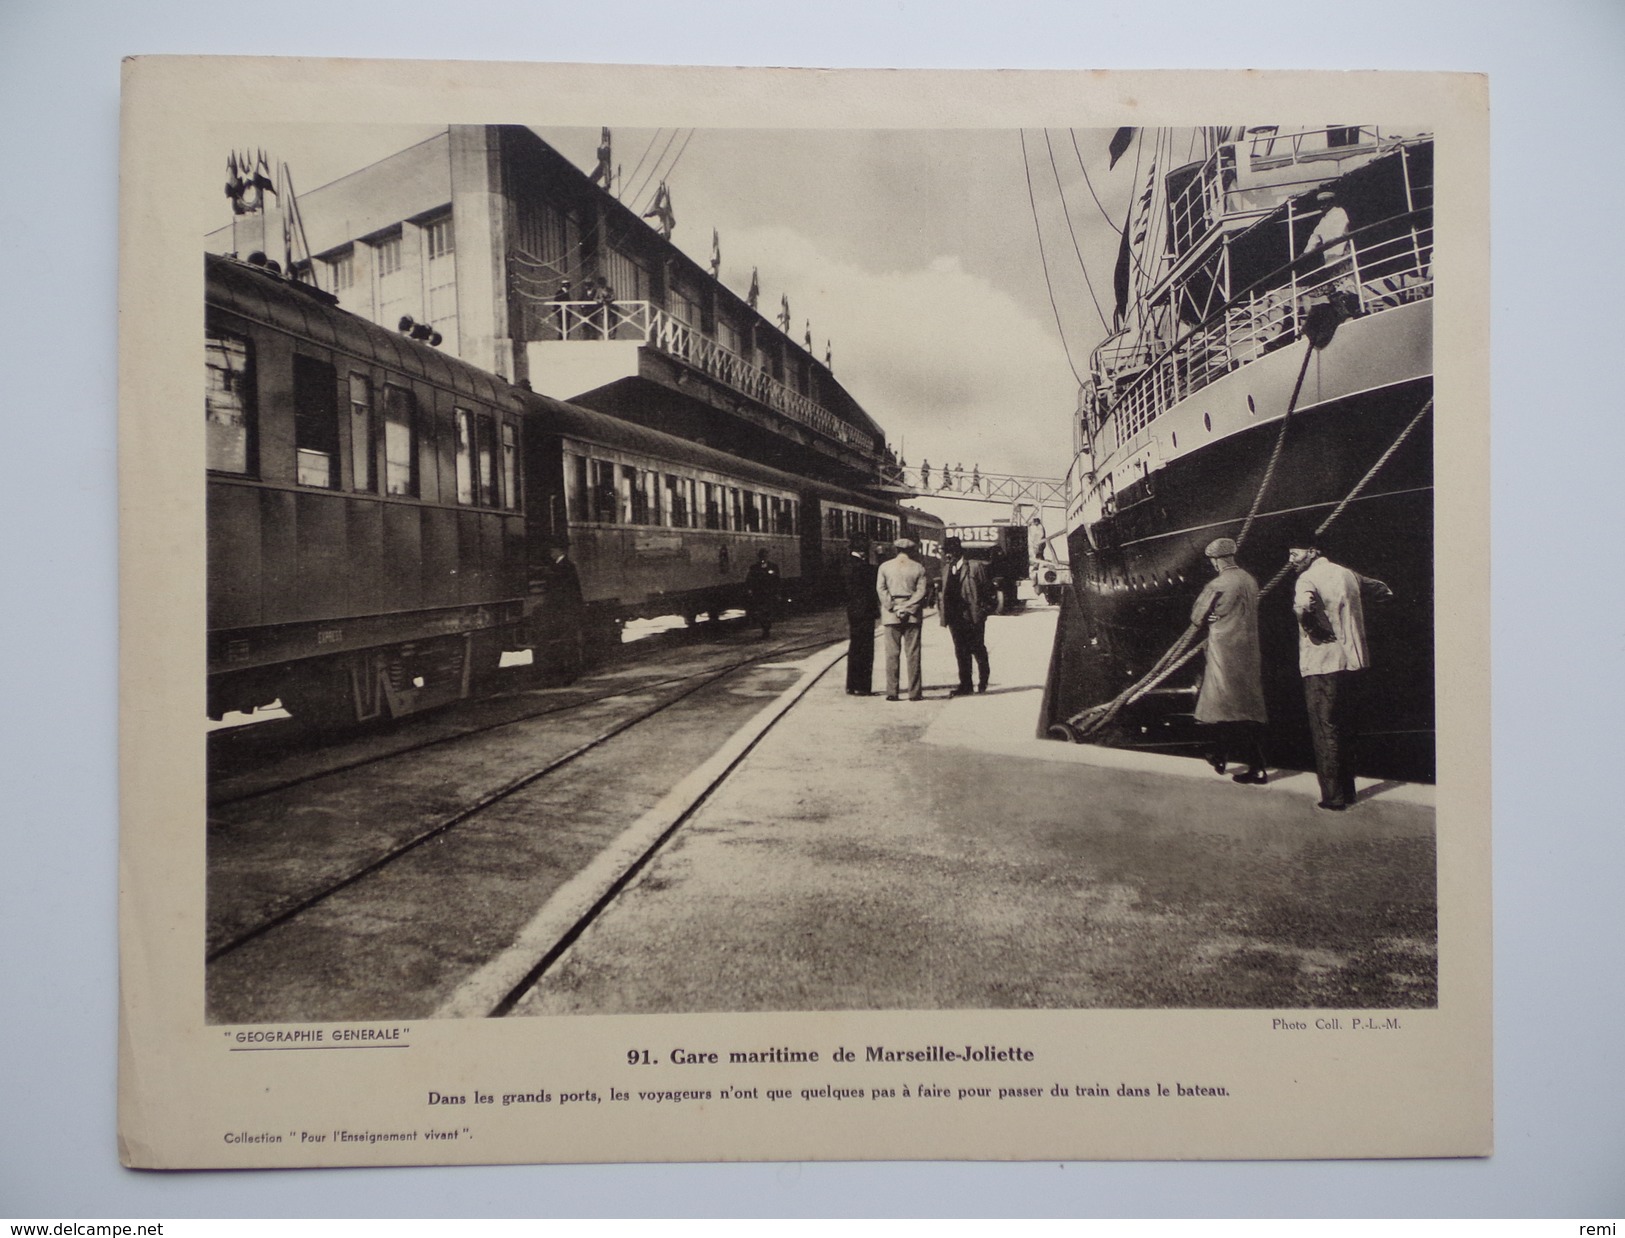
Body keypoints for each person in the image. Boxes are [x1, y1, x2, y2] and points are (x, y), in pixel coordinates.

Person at [1288, 536, 1394, 811]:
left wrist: (1313, 629)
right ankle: (1349, 792)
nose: (1291, 560)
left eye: (1295, 553)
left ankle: (1334, 798)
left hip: (1323, 664)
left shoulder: (1307, 579)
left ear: (1312, 552)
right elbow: (1383, 591)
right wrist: (1356, 622)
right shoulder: (1347, 574)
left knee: (1326, 730)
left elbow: (1302, 607)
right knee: (1346, 728)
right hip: (1354, 663)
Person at [1190, 537, 1268, 784]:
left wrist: (1212, 616)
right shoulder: (1250, 580)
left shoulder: (1218, 584)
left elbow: (1196, 617)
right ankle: (1254, 765)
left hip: (1223, 653)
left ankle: (1220, 756)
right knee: (1246, 708)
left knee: (1220, 707)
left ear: (1216, 561)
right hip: (1249, 653)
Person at [938, 536, 993, 696]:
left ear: (957, 552)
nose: (947, 556)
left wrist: (983, 611)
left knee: (977, 648)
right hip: (955, 618)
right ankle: (966, 685)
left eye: (949, 553)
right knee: (961, 651)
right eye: (946, 553)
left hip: (973, 616)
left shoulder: (974, 567)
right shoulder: (946, 569)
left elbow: (988, 590)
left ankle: (983, 681)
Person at [876, 538, 928, 701]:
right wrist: (908, 608)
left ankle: (892, 692)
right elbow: (921, 592)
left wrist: (894, 607)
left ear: (896, 550)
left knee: (892, 654)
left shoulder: (885, 566)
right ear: (911, 550)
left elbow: (881, 589)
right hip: (912, 615)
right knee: (913, 654)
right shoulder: (918, 567)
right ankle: (914, 693)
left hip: (891, 615)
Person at [540, 543, 586, 680]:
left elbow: (567, 589)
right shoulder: (563, 565)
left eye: (552, 550)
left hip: (565, 610)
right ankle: (570, 671)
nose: (550, 553)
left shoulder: (564, 566)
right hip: (566, 610)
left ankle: (571, 672)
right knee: (567, 642)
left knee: (568, 642)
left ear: (559, 551)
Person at [842, 533, 880, 696]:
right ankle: (863, 686)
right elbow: (876, 577)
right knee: (866, 649)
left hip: (853, 611)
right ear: (864, 549)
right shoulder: (864, 567)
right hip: (866, 612)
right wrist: (879, 555)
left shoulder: (846, 565)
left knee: (854, 647)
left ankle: (851, 685)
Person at [745, 548, 782, 639]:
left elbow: (777, 581)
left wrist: (777, 592)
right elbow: (749, 580)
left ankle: (766, 629)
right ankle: (764, 629)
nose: (763, 557)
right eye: (762, 556)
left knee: (768, 612)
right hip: (759, 593)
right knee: (761, 612)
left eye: (765, 555)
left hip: (770, 593)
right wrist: (750, 589)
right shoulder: (754, 568)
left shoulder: (773, 567)